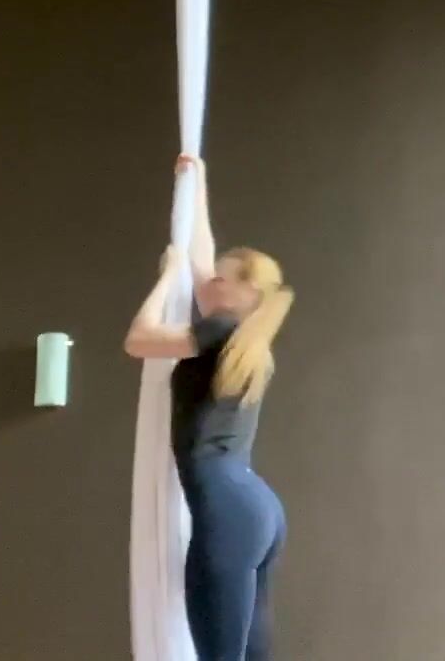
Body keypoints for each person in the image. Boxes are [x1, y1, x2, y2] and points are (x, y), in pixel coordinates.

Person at [125, 155, 294, 661]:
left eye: (222, 279)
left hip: (226, 509)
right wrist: (195, 185)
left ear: (245, 292)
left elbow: (138, 340)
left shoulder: (221, 328)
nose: (208, 283)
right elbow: (204, 258)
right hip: (258, 509)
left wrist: (166, 277)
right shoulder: (246, 340)